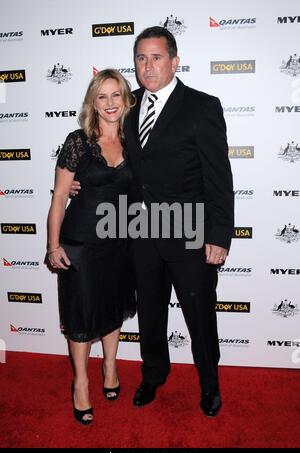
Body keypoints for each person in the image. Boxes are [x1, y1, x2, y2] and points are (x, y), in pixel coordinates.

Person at [72, 26, 234, 417]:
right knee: (151, 312)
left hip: (189, 230)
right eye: (141, 58)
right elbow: (110, 156)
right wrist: (84, 182)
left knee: (199, 314)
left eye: (157, 57)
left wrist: (219, 235)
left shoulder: (202, 106)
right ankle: (153, 375)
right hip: (140, 232)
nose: (148, 66)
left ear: (175, 61)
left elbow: (219, 177)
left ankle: (209, 385)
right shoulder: (127, 109)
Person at [47, 69, 136, 425]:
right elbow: (57, 199)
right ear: (93, 102)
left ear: (127, 99)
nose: (110, 103)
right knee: (82, 316)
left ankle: (110, 368)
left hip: (120, 242)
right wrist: (53, 246)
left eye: (116, 95)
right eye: (103, 96)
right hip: (80, 241)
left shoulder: (135, 141)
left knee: (113, 307)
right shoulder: (78, 141)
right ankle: (81, 383)